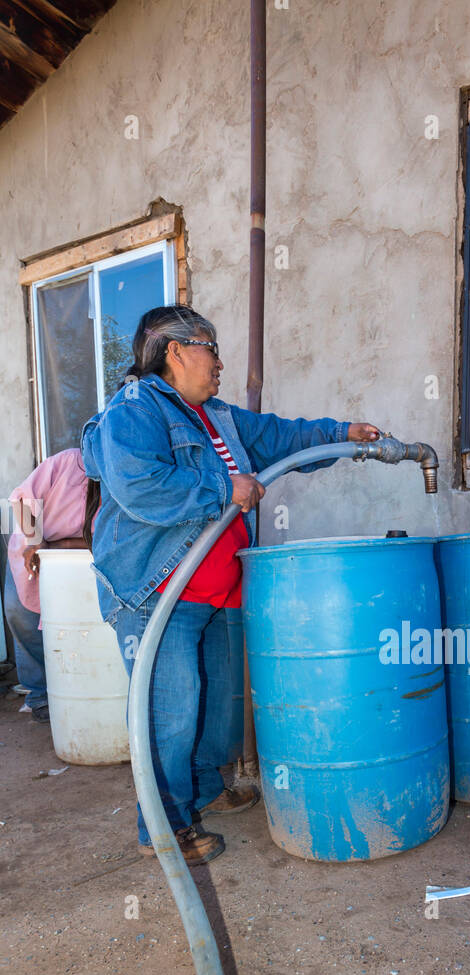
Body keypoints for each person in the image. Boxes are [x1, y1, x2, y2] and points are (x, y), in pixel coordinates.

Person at [82, 304, 381, 865]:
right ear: (174, 351)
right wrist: (226, 485)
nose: (219, 361)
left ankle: (200, 789)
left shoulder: (214, 415)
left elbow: (279, 437)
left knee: (218, 705)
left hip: (216, 591)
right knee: (168, 713)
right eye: (209, 347)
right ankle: (164, 829)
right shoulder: (136, 408)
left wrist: (343, 434)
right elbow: (141, 487)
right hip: (159, 591)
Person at [4, 449, 91, 722]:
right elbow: (20, 501)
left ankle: (69, 692)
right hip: (30, 548)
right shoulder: (66, 462)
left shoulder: (120, 480)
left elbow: (106, 538)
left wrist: (57, 546)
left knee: (67, 626)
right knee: (22, 614)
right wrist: (37, 540)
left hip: (72, 560)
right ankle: (39, 696)